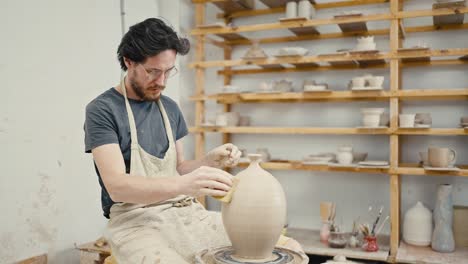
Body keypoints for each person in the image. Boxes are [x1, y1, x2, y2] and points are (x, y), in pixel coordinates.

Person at [84, 18, 304, 263]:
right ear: (128, 62)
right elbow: (117, 187)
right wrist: (185, 185)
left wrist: (209, 161)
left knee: (288, 248)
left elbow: (179, 168)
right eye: (153, 71)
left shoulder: (169, 108)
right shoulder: (103, 110)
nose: (162, 81)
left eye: (168, 71)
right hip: (136, 221)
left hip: (184, 212)